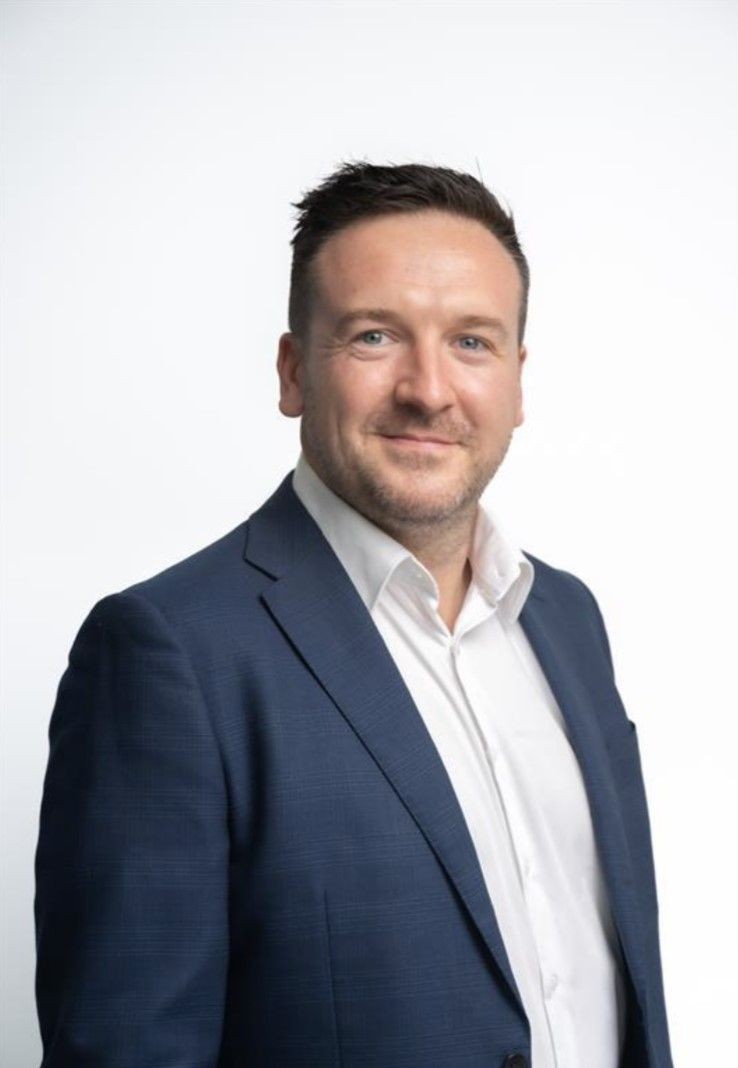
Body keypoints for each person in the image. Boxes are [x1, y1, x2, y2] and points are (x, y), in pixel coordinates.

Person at [34, 161, 673, 1068]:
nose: (429, 389)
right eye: (375, 336)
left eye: (472, 342)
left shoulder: (568, 621)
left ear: (519, 384)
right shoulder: (167, 654)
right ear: (294, 371)